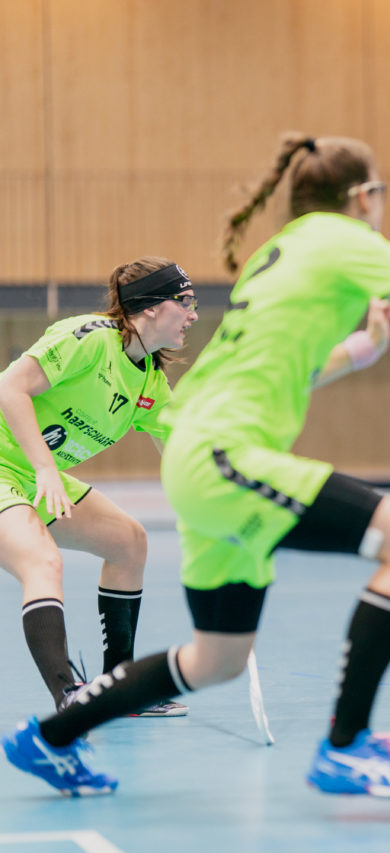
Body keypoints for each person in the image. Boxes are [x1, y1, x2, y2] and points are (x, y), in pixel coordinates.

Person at [2, 132, 390, 798]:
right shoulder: (349, 241)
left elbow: (279, 368)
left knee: (217, 657)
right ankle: (346, 748)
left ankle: (48, 738)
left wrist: (358, 353)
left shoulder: (273, 257)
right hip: (222, 454)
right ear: (362, 197)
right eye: (381, 194)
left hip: (200, 455)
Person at [0, 257, 198, 719]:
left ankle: (118, 688)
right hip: (10, 468)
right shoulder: (89, 339)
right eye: (183, 302)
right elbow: (10, 388)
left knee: (129, 542)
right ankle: (70, 700)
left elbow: (184, 457)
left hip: (32, 476)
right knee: (43, 561)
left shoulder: (149, 381)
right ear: (149, 308)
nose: (192, 313)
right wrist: (46, 469)